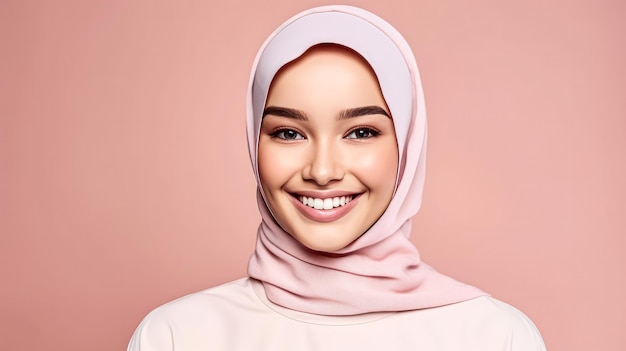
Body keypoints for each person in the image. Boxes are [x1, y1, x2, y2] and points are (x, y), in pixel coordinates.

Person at [128, 5, 546, 350]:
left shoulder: (493, 338)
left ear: (407, 144)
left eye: (361, 132)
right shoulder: (175, 337)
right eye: (288, 133)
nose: (322, 171)